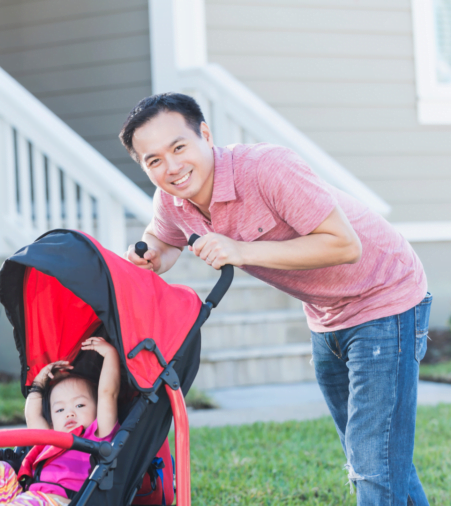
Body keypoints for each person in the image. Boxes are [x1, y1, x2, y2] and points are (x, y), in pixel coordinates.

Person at [120, 93, 431, 506]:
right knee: (376, 458)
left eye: (178, 147)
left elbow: (345, 245)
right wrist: (154, 255)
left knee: (375, 464)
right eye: (154, 160)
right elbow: (163, 237)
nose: (172, 166)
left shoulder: (266, 168)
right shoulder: (172, 199)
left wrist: (241, 250)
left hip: (384, 295)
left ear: (205, 135)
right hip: (326, 314)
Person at [0, 336, 120, 506]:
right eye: (60, 409)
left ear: (97, 410)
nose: (69, 413)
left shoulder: (97, 436)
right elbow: (33, 416)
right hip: (27, 498)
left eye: (80, 405)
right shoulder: (51, 438)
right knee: (3, 470)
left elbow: (107, 393)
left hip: (61, 501)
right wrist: (38, 385)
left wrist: (111, 354)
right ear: (52, 420)